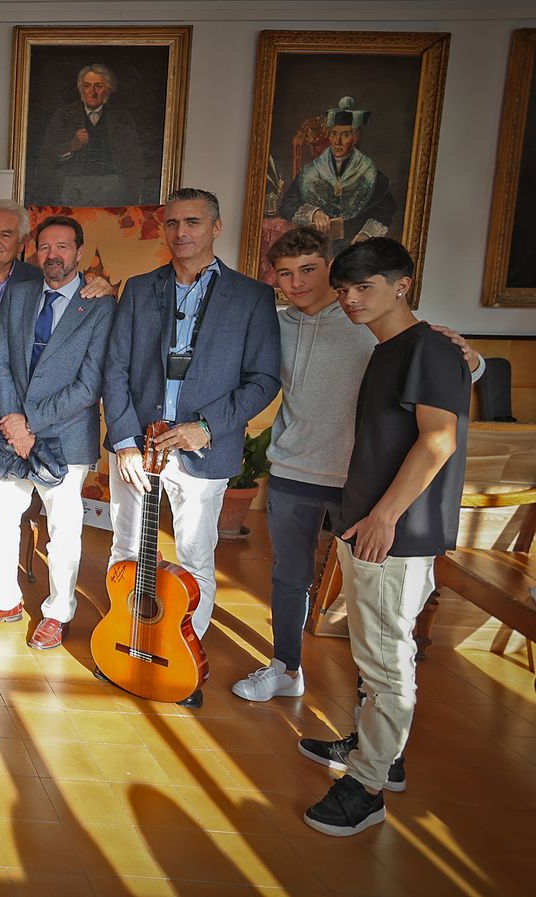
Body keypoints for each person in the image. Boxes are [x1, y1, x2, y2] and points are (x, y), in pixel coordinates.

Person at [239, 228, 483, 733]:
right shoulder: (274, 325)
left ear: (330, 268)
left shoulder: (369, 319)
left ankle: (367, 716)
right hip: (294, 468)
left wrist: (474, 360)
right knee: (289, 576)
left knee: (368, 604)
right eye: (284, 274)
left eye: (309, 269)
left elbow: (441, 378)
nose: (297, 282)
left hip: (362, 481)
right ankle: (286, 668)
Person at [300, 237, 470, 838]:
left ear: (402, 284)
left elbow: (437, 441)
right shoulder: (394, 347)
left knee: (388, 659)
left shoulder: (427, 349)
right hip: (369, 522)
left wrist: (384, 517)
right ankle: (381, 751)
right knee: (374, 652)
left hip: (392, 530)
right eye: (343, 289)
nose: (349, 299)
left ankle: (366, 786)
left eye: (362, 287)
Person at [102, 187, 280, 708]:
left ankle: (183, 656)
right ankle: (129, 646)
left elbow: (263, 379)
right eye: (173, 223)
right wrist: (126, 441)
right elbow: (115, 369)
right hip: (139, 449)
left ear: (215, 227)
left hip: (204, 450)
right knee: (126, 550)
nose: (182, 233)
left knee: (196, 558)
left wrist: (208, 427)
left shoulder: (251, 297)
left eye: (193, 222)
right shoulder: (139, 289)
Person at [0, 200, 112, 598]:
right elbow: (0, 359)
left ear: (79, 252)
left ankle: (58, 610)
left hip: (61, 433)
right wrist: (15, 420)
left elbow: (89, 385)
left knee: (63, 528)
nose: (53, 254)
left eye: (63, 246)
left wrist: (27, 423)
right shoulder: (6, 291)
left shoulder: (96, 301)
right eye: (46, 247)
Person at [277, 97, 397, 254]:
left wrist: (365, 235)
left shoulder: (372, 175)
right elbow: (287, 203)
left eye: (345, 134)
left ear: (356, 137)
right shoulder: (311, 172)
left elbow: (385, 210)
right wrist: (314, 213)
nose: (337, 141)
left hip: (353, 250)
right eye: (334, 133)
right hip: (314, 248)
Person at [34, 64, 147, 206]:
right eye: (87, 86)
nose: (92, 92)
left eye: (98, 86)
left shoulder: (121, 117)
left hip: (112, 188)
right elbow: (47, 156)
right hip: (72, 188)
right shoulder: (64, 115)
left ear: (108, 89)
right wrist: (72, 145)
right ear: (81, 89)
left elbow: (134, 160)